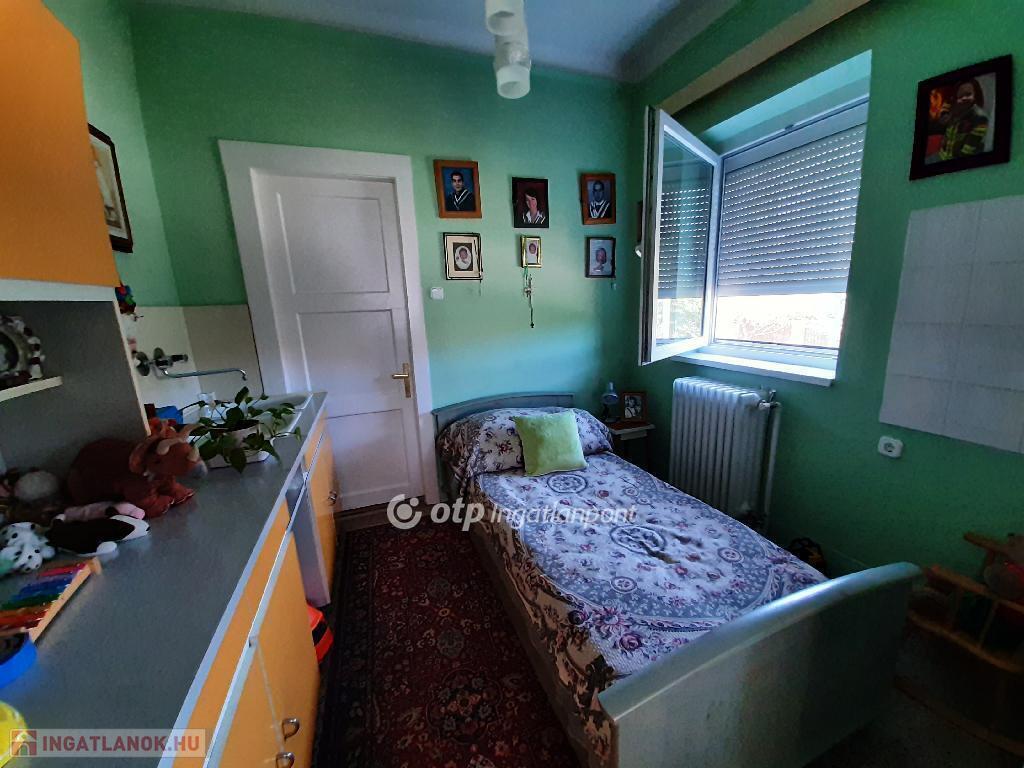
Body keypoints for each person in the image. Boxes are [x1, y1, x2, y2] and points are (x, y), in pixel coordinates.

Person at [938, 79, 989, 160]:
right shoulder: (953, 106)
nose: (964, 98)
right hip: (943, 155)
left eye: (968, 94)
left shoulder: (980, 118)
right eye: (960, 96)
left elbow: (968, 150)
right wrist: (946, 115)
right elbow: (943, 115)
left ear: (975, 95)